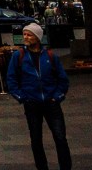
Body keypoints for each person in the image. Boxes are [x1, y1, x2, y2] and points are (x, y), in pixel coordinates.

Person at [6, 22, 71, 170]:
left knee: (60, 138)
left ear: (37, 37)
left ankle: (66, 167)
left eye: (29, 34)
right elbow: (11, 79)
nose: (26, 37)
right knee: (36, 139)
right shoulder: (19, 56)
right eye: (24, 34)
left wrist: (58, 96)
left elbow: (62, 79)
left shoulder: (50, 56)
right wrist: (22, 97)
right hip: (32, 103)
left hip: (51, 102)